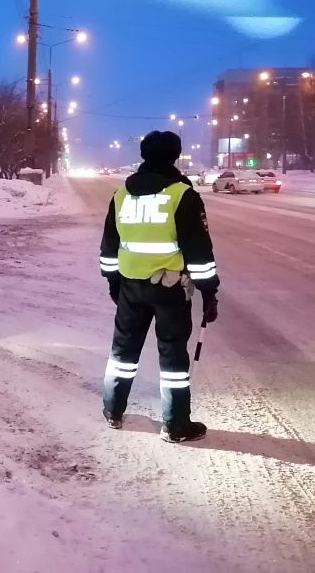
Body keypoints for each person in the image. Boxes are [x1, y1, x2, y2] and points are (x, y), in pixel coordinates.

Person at [98, 131, 219, 443]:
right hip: (170, 289)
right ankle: (176, 424)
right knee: (173, 357)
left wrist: (114, 283)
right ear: (175, 156)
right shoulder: (182, 195)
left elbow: (109, 247)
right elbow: (199, 251)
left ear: (143, 155)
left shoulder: (121, 195)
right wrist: (209, 292)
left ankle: (112, 409)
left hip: (130, 286)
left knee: (122, 351)